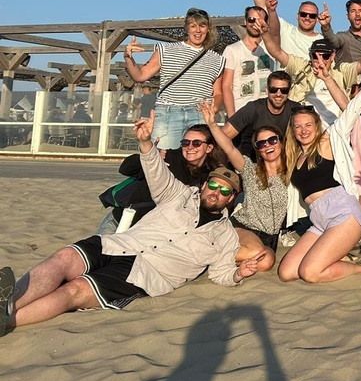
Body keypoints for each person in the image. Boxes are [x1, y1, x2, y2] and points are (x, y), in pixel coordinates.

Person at [0, 113, 259, 337]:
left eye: (224, 191)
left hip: (146, 273)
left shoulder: (225, 235)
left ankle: (6, 320)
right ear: (204, 185)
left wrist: (238, 274)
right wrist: (145, 142)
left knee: (75, 290)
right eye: (212, 185)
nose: (216, 192)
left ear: (231, 198)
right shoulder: (179, 194)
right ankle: (7, 302)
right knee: (65, 257)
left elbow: (221, 273)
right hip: (121, 243)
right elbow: (157, 171)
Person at [275, 57, 361, 284]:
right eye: (298, 126)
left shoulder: (328, 141)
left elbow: (352, 108)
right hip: (319, 218)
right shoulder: (293, 156)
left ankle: (360, 268)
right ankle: (335, 254)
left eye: (308, 125)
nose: (303, 130)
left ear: (317, 126)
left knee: (310, 273)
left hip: (343, 213)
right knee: (287, 272)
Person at [199, 101, 288, 272]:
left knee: (266, 262)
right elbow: (229, 148)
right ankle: (203, 255)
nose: (268, 145)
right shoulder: (250, 170)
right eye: (261, 144)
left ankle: (218, 259)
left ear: (281, 142)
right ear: (257, 150)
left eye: (272, 140)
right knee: (256, 253)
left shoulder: (291, 173)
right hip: (244, 227)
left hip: (270, 237)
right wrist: (212, 124)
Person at [262, 0, 361, 123]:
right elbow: (276, 52)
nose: (320, 60)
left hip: (334, 131)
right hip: (303, 130)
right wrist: (264, 31)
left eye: (325, 56)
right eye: (315, 56)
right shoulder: (302, 66)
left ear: (333, 56)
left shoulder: (341, 70)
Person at [122, 8, 226, 148]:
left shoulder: (217, 59)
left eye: (202, 26)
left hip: (200, 114)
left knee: (197, 161)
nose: (198, 31)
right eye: (193, 26)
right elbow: (140, 76)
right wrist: (128, 58)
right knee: (164, 159)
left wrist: (214, 108)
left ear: (208, 29)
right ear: (186, 28)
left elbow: (218, 93)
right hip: (169, 112)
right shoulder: (166, 50)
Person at [220, 70, 301, 160]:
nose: (278, 94)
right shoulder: (253, 109)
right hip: (252, 162)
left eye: (284, 90)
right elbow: (223, 136)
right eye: (273, 90)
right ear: (266, 90)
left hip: (286, 162)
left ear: (289, 92)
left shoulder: (296, 110)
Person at [221, 5, 277, 117]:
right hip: (241, 111)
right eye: (251, 19)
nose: (255, 24)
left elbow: (276, 32)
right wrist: (232, 116)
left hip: (267, 112)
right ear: (245, 21)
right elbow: (227, 86)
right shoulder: (232, 50)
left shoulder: (273, 49)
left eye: (260, 20)